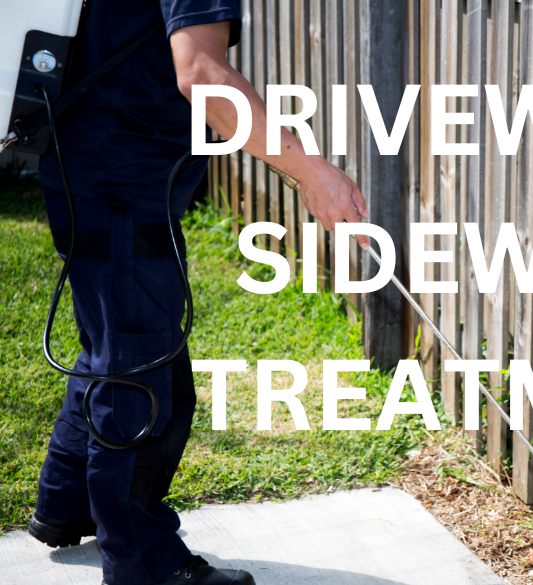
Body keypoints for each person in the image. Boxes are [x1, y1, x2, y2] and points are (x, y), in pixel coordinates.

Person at [29, 1, 368, 584]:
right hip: (120, 182)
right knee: (144, 375)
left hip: (82, 162)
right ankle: (144, 563)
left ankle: (68, 503)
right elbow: (204, 75)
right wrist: (311, 170)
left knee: (112, 342)